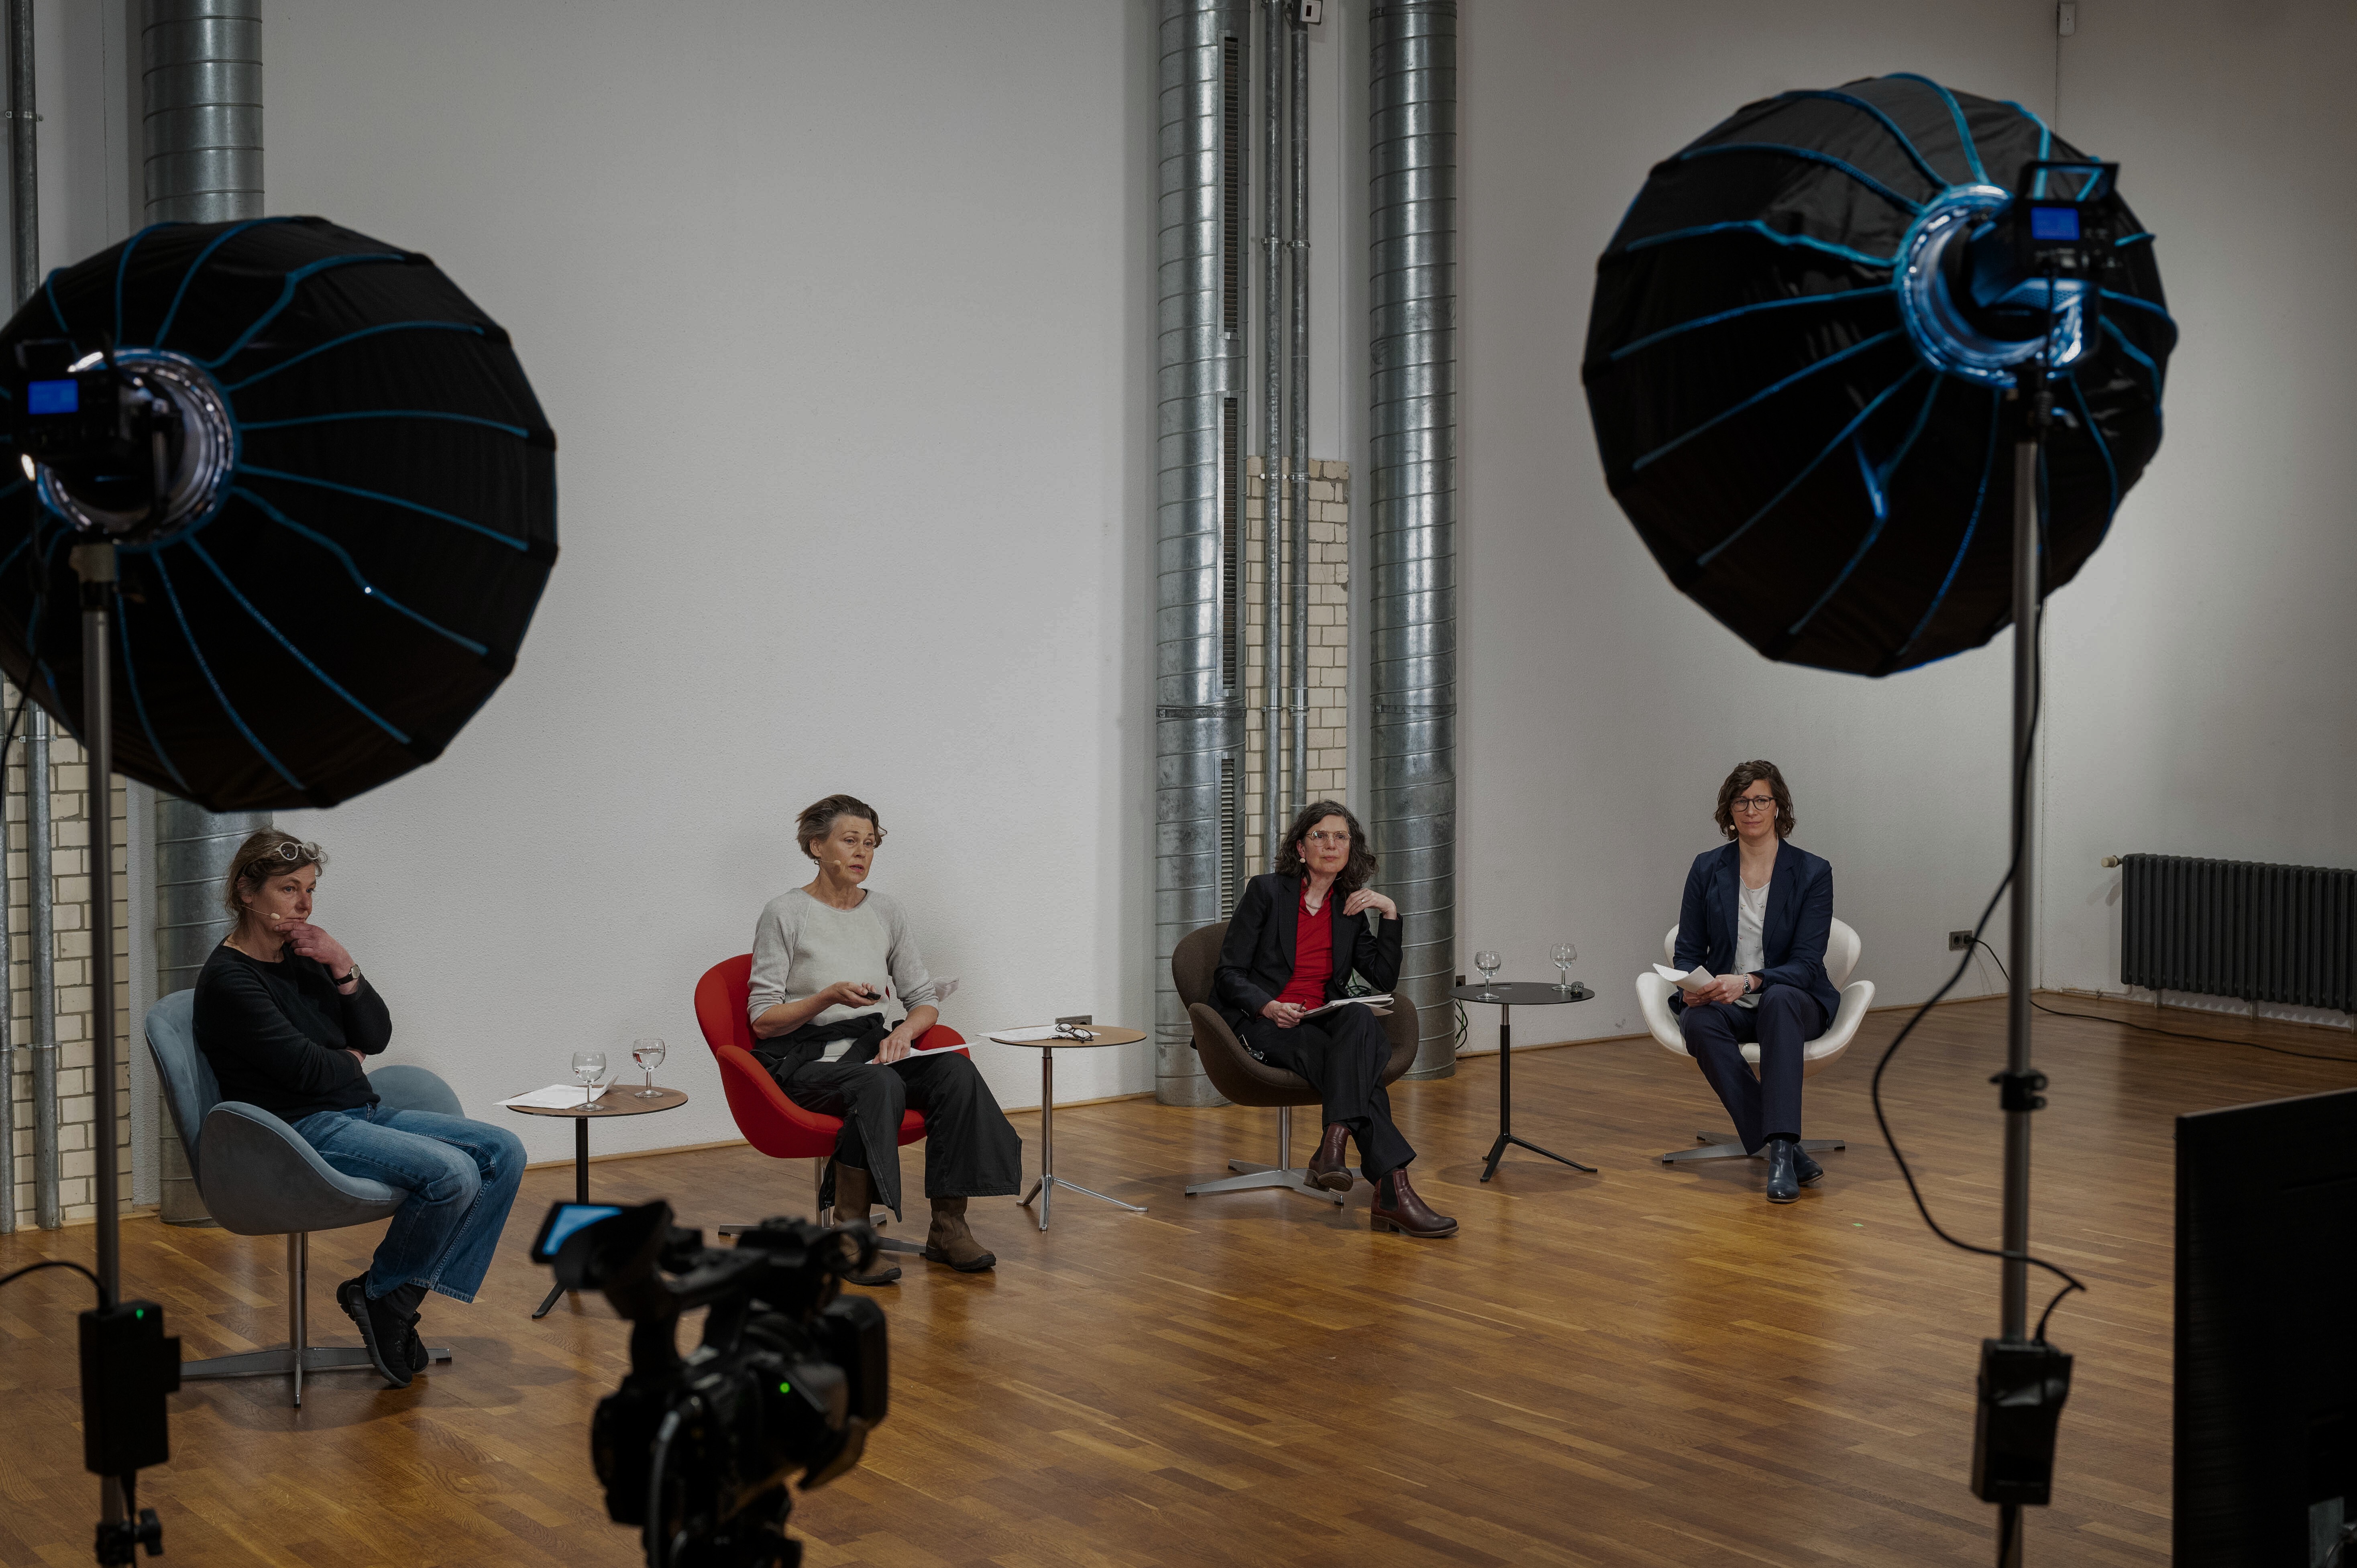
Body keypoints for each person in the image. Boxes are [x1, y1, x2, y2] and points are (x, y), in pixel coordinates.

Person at [191, 831, 526, 1388]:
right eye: (288, 889)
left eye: (310, 889)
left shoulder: (305, 956)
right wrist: (347, 1060)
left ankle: (391, 1296)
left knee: (503, 1151)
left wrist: (342, 963)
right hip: (293, 1132)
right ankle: (384, 1298)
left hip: (359, 1111)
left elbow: (376, 1033)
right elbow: (306, 1071)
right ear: (247, 891)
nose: (304, 904)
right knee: (452, 1174)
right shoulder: (230, 979)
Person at [748, 794, 1022, 1283]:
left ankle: (949, 1227)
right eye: (849, 841)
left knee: (955, 1070)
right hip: (804, 1059)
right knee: (880, 1087)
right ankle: (851, 1235)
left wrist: (904, 1037)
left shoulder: (887, 911)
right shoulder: (785, 912)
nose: (862, 853)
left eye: (870, 843)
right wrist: (826, 996)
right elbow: (763, 1020)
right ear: (816, 846)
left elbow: (923, 998)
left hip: (872, 1049)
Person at [1214, 800, 1456, 1238]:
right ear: (1301, 848)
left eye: (1341, 837)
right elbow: (1228, 973)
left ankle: (1335, 1142)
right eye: (1320, 836)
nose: (1331, 844)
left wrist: (1390, 913)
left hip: (1322, 1017)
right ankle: (1392, 1192)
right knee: (1357, 1068)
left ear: (1352, 849)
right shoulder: (1267, 891)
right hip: (1269, 1022)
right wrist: (1268, 1006)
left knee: (1362, 1020)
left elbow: (1382, 980)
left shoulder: (1349, 908)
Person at [1670, 760, 1844, 1204]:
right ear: (1729, 812)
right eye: (1741, 801)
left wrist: (1749, 981)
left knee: (1781, 998)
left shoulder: (1812, 872)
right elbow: (1688, 948)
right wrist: (1693, 985)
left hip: (1792, 1003)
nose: (1752, 810)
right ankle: (1784, 1148)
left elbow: (1807, 963)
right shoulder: (1707, 868)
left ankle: (1782, 1155)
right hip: (1727, 1004)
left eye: (1761, 800)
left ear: (1778, 807)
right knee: (1698, 1024)